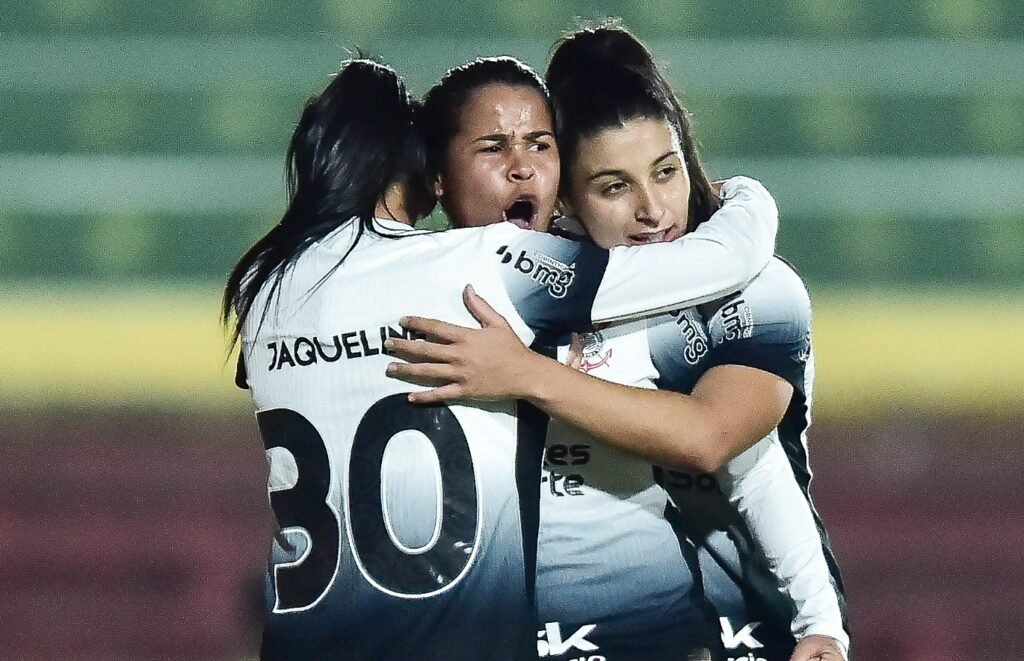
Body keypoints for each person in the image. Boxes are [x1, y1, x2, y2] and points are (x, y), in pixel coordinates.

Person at [222, 57, 779, 660]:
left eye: (539, 144)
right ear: (419, 168)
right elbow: (723, 260)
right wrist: (739, 193)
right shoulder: (477, 266)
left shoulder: (260, 288)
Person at [386, 26, 848, 661]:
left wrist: (821, 619)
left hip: (757, 617)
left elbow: (730, 452)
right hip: (583, 624)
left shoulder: (760, 289)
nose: (653, 210)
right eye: (614, 187)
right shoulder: (546, 282)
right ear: (568, 201)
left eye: (666, 172)